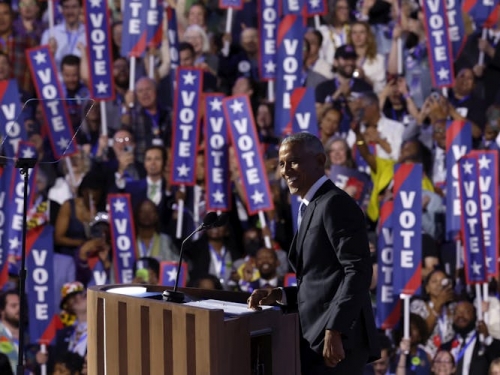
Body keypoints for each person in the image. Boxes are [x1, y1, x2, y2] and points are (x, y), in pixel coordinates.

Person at [248, 132, 379, 374]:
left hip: (338, 342)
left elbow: (358, 271)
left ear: (320, 161)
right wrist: (280, 295)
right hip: (316, 336)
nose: (286, 170)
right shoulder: (309, 206)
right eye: (282, 163)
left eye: (294, 161)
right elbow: (321, 281)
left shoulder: (335, 203)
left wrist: (335, 328)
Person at [0, 290, 20, 371]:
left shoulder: (30, 335)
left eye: (20, 305)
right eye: (13, 306)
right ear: (2, 311)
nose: (19, 309)